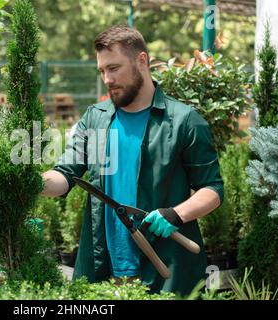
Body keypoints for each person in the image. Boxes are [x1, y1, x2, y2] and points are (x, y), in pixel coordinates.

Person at [41, 25, 223, 296]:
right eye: (102, 71)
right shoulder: (95, 119)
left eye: (114, 68)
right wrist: (30, 182)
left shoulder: (184, 121)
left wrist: (176, 214)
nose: (107, 79)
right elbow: (65, 174)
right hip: (103, 271)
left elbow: (213, 189)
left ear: (142, 61)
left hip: (166, 271)